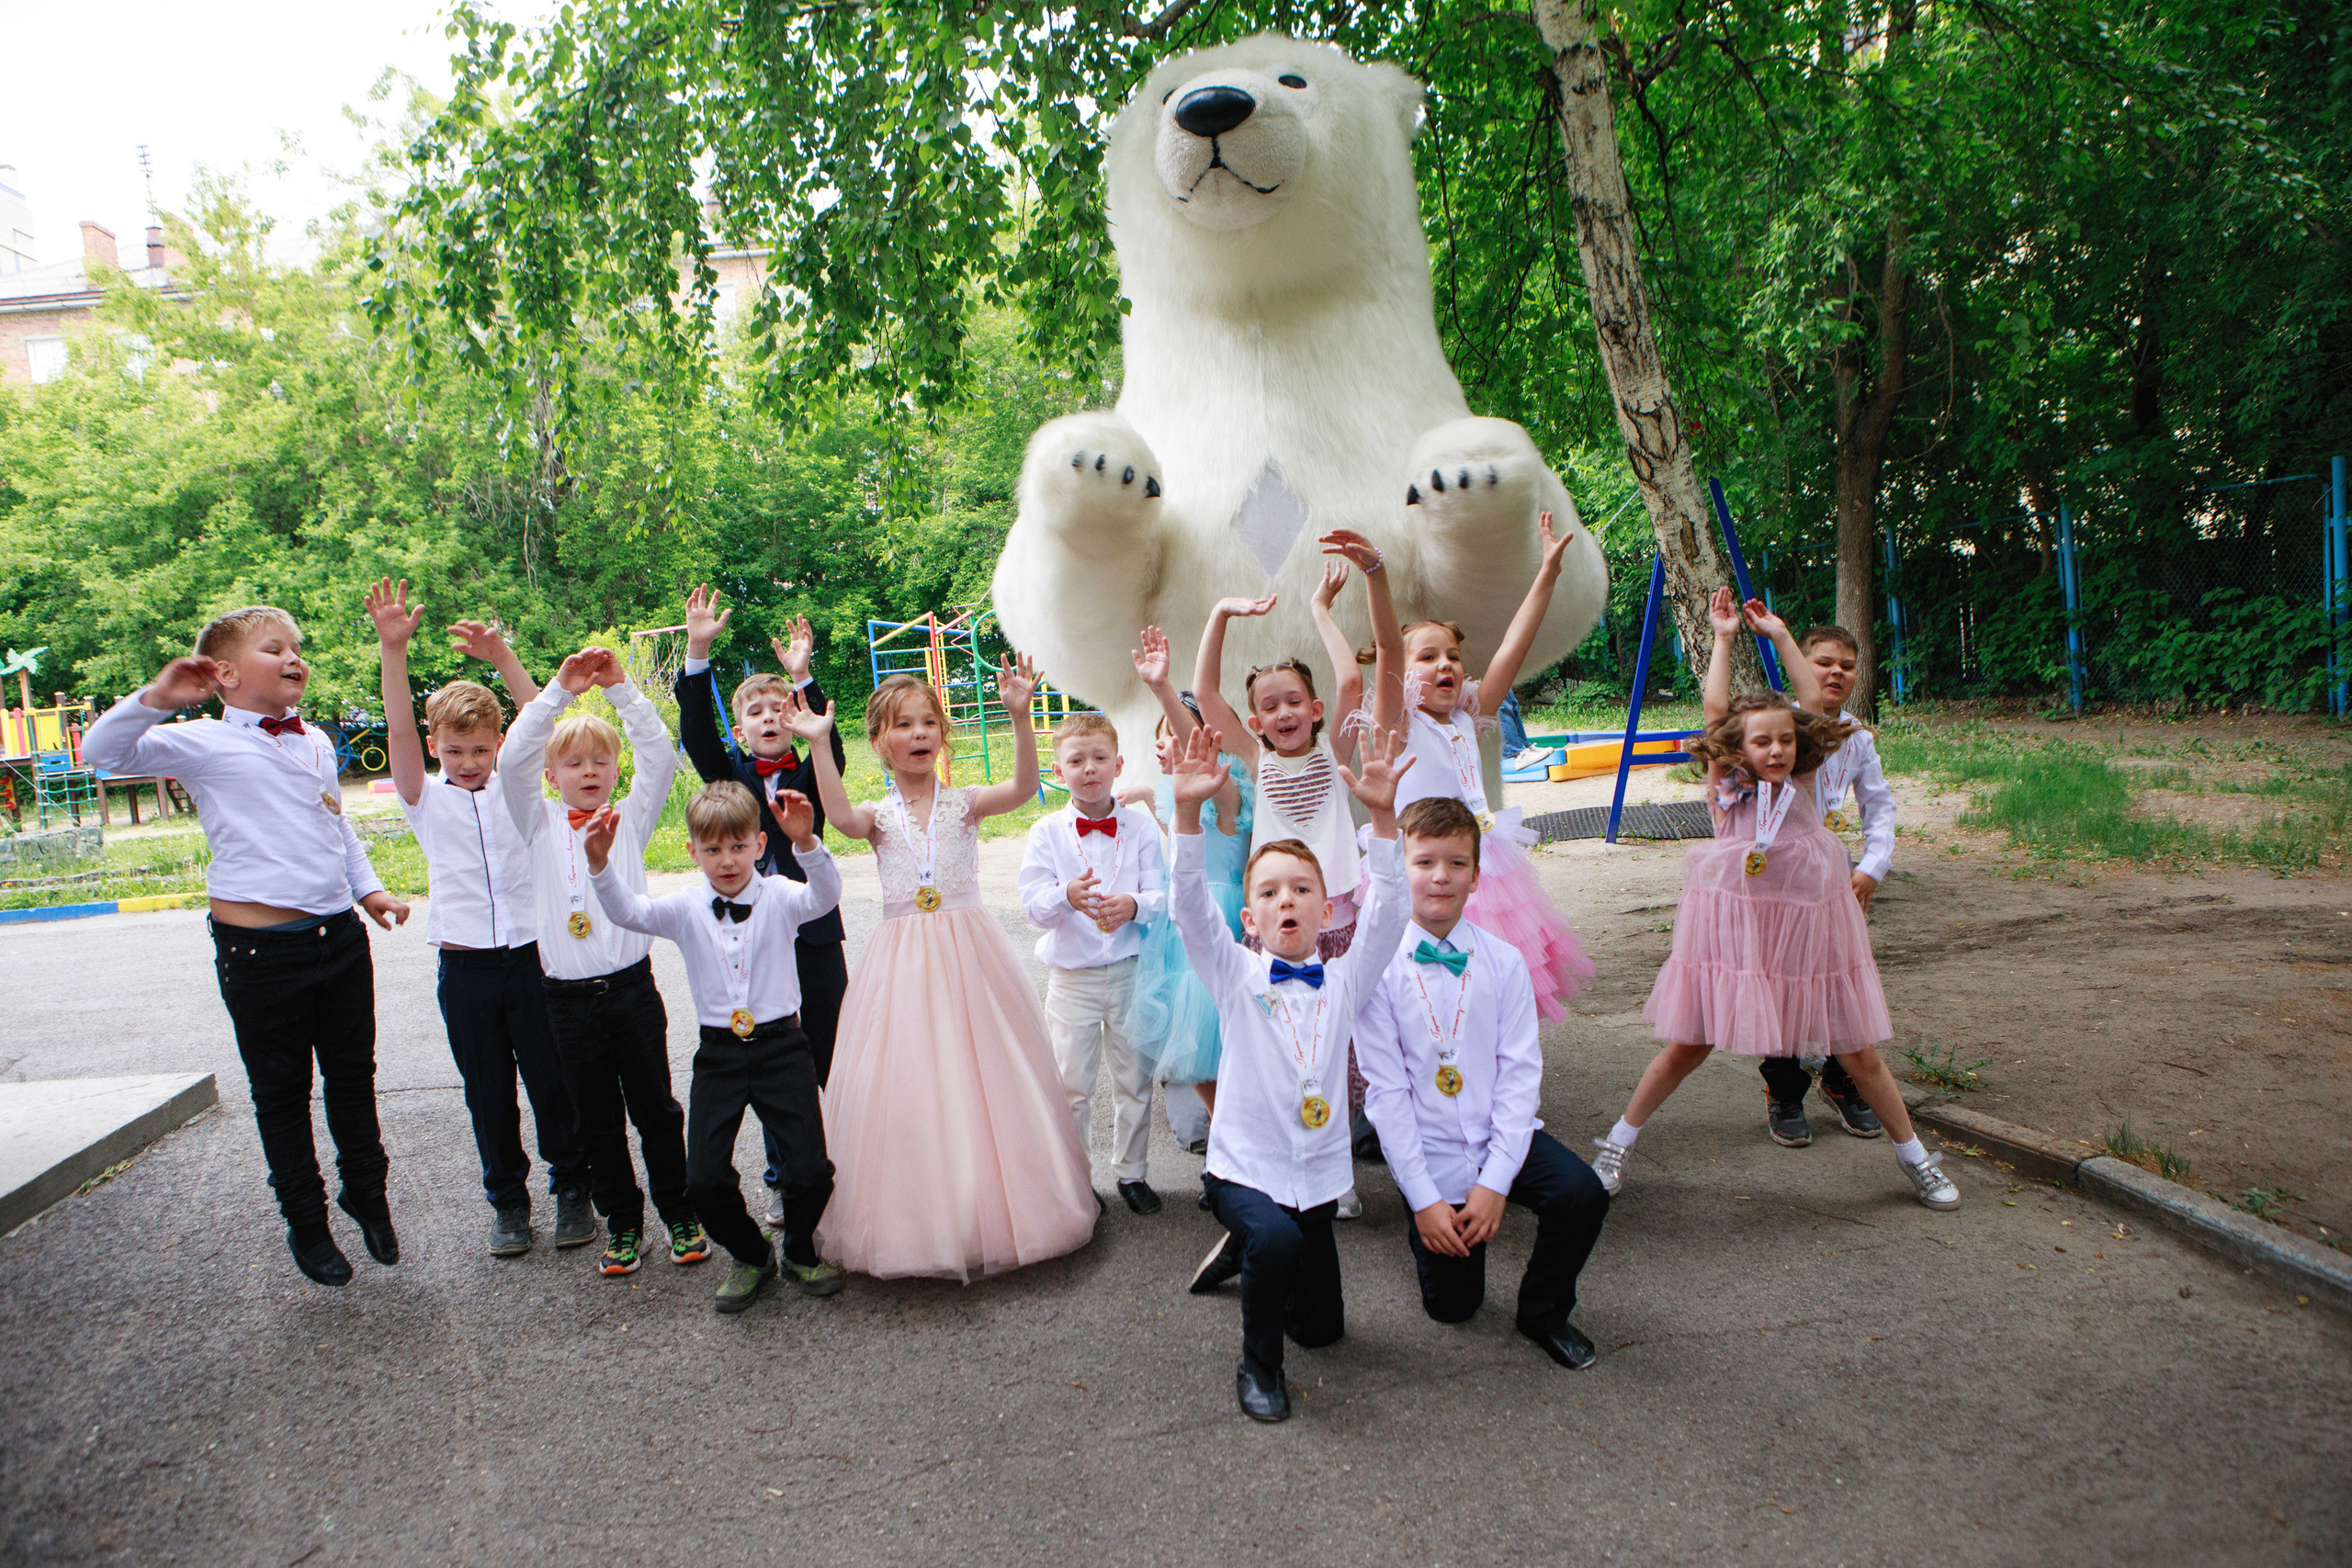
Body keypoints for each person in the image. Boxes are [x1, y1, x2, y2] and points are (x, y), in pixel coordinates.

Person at [1589, 590, 1960, 1213]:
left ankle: (1916, 1158)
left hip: (1812, 925)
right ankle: (1616, 1146)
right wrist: (1725, 637)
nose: (1778, 750)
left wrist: (1781, 635)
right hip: (1739, 931)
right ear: (1739, 747)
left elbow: (1812, 702)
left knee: (1857, 1049)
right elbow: (1714, 707)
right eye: (1763, 742)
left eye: (1786, 740)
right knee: (1689, 1043)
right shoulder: (1726, 787)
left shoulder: (1805, 778)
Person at [82, 605, 412, 1287]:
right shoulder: (202, 740)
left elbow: (334, 827)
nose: (295, 657)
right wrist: (156, 698)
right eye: (274, 649)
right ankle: (307, 1220)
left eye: (297, 647)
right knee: (282, 1092)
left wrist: (369, 891)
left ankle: (367, 1190)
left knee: (353, 1077)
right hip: (261, 953)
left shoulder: (315, 741)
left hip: (339, 939)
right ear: (225, 674)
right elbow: (102, 756)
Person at [780, 660, 1097, 1280]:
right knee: (912, 1084)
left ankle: (996, 1205)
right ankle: (925, 1217)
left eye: (930, 722)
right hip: (902, 959)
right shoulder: (875, 815)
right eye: (904, 724)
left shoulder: (965, 804)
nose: (920, 733)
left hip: (969, 952)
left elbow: (1025, 786)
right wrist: (818, 742)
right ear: (879, 741)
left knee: (985, 1078)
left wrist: (1019, 715)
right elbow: (836, 816)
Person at [1167, 724, 1414, 1423]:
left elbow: (1390, 915)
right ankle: (1258, 1365)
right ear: (1250, 917)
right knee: (1272, 1239)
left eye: (1301, 888)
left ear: (1326, 908)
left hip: (1314, 1180)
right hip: (1245, 1169)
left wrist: (1384, 818)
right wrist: (1186, 814)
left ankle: (1250, 1250)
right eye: (1270, 891)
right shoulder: (1236, 972)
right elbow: (1189, 908)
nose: (1286, 900)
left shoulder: (1344, 980)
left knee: (1324, 1328)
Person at [366, 579, 591, 1259]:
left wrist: (503, 658)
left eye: (480, 749)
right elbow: (399, 726)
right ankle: (508, 1204)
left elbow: (543, 721)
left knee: (551, 1081)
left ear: (498, 745)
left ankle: (572, 1188)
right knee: (488, 1089)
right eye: (453, 750)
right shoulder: (423, 798)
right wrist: (392, 650)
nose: (467, 763)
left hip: (532, 955)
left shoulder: (522, 788)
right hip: (464, 965)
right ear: (436, 747)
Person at [1354, 797, 1611, 1371]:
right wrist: (1422, 1199)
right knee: (1453, 1308)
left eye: (1456, 863)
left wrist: (1496, 1182)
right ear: (1401, 869)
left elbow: (1521, 1074)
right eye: (1423, 862)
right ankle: (1426, 1221)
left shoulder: (1504, 961)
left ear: (1476, 876)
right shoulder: (1375, 971)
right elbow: (1386, 1095)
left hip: (1501, 1138)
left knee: (1581, 1193)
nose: (1440, 876)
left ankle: (1543, 1311)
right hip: (1430, 1150)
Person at [1193, 530, 1401, 1220]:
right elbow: (1202, 692)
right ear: (1256, 719)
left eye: (1294, 701)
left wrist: (1320, 610)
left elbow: (1350, 681)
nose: (1283, 712)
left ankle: (1333, 1170)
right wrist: (1221, 614)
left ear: (1313, 710)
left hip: (1336, 913)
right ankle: (1277, 1163)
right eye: (1270, 705)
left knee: (1337, 1050)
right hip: (1280, 922)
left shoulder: (1335, 747)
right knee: (1283, 1047)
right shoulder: (1256, 757)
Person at [583, 781, 848, 1314]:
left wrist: (808, 845)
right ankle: (752, 1254)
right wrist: (598, 865)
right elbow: (627, 912)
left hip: (783, 1047)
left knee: (811, 1171)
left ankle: (798, 1248)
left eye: (737, 846)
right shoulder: (684, 907)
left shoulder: (779, 896)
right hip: (720, 1056)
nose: (726, 861)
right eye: (712, 849)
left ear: (757, 845)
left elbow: (825, 898)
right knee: (702, 1179)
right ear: (692, 852)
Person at [500, 647, 711, 1277]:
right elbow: (510, 758)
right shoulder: (535, 821)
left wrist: (621, 691)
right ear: (551, 773)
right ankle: (622, 1220)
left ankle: (678, 1210)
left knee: (657, 1110)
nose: (589, 770)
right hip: (565, 1000)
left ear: (615, 768)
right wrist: (558, 693)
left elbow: (661, 755)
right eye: (573, 762)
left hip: (630, 989)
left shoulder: (630, 816)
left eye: (600, 760)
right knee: (596, 1120)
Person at [671, 587, 852, 1228]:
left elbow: (828, 737)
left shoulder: (813, 772)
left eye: (781, 707)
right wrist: (698, 650)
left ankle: (837, 1168)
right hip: (750, 942)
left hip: (813, 932)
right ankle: (781, 1178)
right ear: (740, 727)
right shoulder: (730, 779)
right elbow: (695, 730)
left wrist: (804, 676)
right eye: (756, 710)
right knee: (770, 1055)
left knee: (828, 1052)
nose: (771, 716)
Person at [1377, 510, 1594, 1021]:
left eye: (1452, 655)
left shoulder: (1469, 716)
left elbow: (1513, 649)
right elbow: (1388, 647)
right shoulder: (1399, 722)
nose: (1445, 665)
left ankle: (1490, 1070)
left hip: (1483, 857)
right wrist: (1375, 575)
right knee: (1424, 983)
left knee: (1490, 979)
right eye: (1427, 657)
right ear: (1405, 676)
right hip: (1421, 859)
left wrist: (1548, 573)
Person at [1019, 713, 1170, 1213]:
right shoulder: (1046, 833)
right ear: (1058, 770)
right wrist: (1065, 894)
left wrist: (1134, 905)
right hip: (1072, 978)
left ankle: (1132, 1173)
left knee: (1134, 1078)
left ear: (1119, 764)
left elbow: (1160, 893)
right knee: (1072, 1085)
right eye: (1076, 760)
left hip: (1129, 972)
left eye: (1100, 758)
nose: (1089, 769)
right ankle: (1077, 1179)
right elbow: (1033, 907)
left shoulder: (1142, 828)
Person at [1756, 622, 1896, 1147]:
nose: (1836, 672)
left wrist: (1871, 867)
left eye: (1848, 665)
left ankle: (1842, 1081)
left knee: (1843, 979)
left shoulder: (1859, 740)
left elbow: (1879, 808)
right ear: (1803, 666)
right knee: (1784, 983)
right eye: (1824, 663)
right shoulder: (1779, 729)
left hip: (1834, 881)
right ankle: (1785, 1090)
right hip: (1782, 881)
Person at [1121, 626, 1251, 1154]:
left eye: (1173, 736)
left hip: (1217, 919)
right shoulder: (1167, 798)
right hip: (1175, 931)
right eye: (1159, 737)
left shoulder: (1228, 794)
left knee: (1224, 1045)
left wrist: (1163, 691)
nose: (1163, 745)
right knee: (1189, 1049)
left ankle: (1236, 1138)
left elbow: (1204, 772)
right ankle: (1226, 1136)